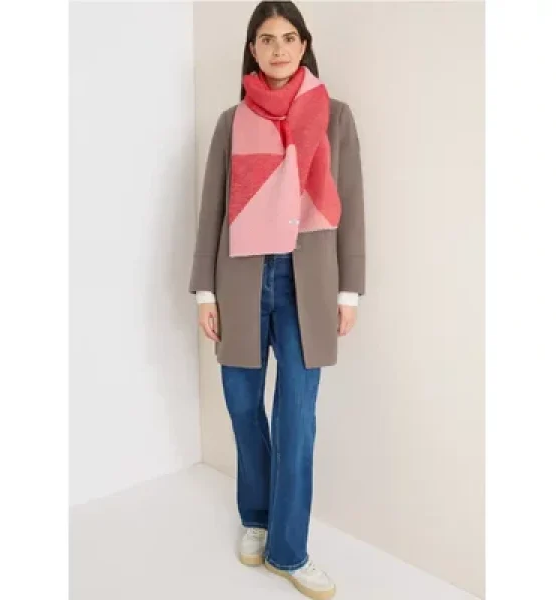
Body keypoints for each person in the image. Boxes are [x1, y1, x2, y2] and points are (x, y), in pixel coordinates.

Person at [188, 2, 365, 598]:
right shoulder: (231, 121)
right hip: (240, 278)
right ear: (253, 49)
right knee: (242, 406)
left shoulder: (336, 117)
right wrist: (205, 291)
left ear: (304, 44)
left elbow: (352, 208)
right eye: (267, 39)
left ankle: (289, 551)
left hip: (305, 284)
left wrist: (348, 291)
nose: (279, 49)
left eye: (289, 38)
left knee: (297, 419)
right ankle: (256, 517)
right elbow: (212, 210)